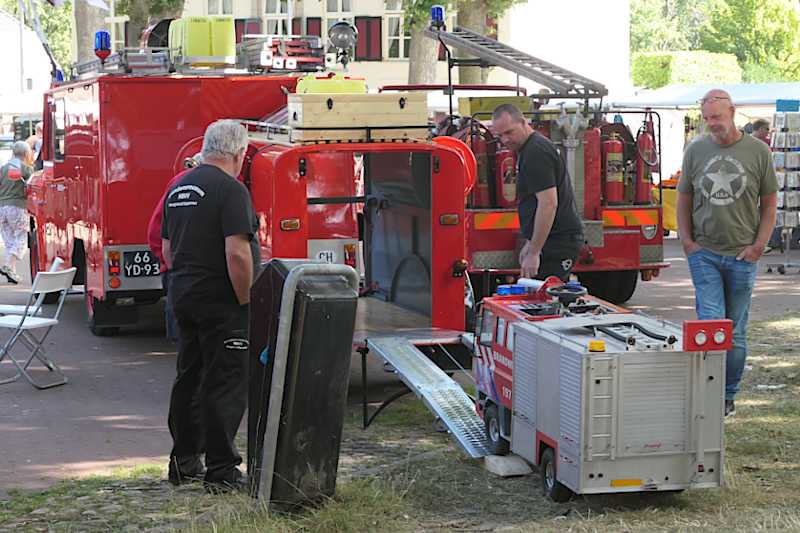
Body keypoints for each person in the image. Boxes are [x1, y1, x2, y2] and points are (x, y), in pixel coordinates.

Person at [161, 121, 258, 492]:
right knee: (225, 381)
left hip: (183, 294)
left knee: (190, 376)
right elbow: (237, 252)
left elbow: (168, 250)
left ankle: (184, 462)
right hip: (221, 300)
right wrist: (245, 299)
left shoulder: (179, 186)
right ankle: (222, 470)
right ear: (239, 153)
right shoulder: (231, 190)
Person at [677, 89, 778, 418]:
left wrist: (759, 245)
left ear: (732, 112)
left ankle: (727, 395)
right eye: (707, 119)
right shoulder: (696, 151)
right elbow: (684, 198)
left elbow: (769, 204)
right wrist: (688, 243)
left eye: (717, 117)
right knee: (710, 323)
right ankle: (706, 391)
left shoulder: (757, 152)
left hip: (742, 256)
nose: (712, 124)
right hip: (704, 253)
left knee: (734, 330)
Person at [491, 104, 584, 280]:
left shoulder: (536, 152)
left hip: (557, 242)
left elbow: (548, 204)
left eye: (509, 132)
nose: (505, 140)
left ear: (523, 122)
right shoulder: (529, 149)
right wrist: (531, 242)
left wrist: (534, 252)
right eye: (500, 135)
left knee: (545, 301)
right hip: (553, 240)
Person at [147, 154, 201, 343]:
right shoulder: (228, 186)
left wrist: (168, 264)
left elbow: (157, 232)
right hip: (195, 273)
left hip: (178, 272)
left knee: (184, 342)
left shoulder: (178, 183)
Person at [0, 141, 34, 284]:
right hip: (18, 207)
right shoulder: (26, 169)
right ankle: (8, 266)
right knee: (20, 239)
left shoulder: (3, 168)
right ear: (26, 154)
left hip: (2, 208)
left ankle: (11, 272)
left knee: (9, 242)